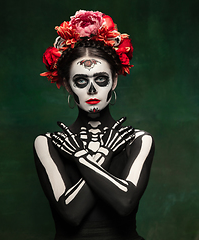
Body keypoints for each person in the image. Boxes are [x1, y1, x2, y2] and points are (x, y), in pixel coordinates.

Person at [33, 10, 155, 240]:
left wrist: (80, 158)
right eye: (81, 80)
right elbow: (71, 213)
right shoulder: (47, 143)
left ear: (114, 80)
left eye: (100, 79)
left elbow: (125, 202)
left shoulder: (140, 140)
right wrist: (103, 155)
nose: (92, 90)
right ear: (68, 86)